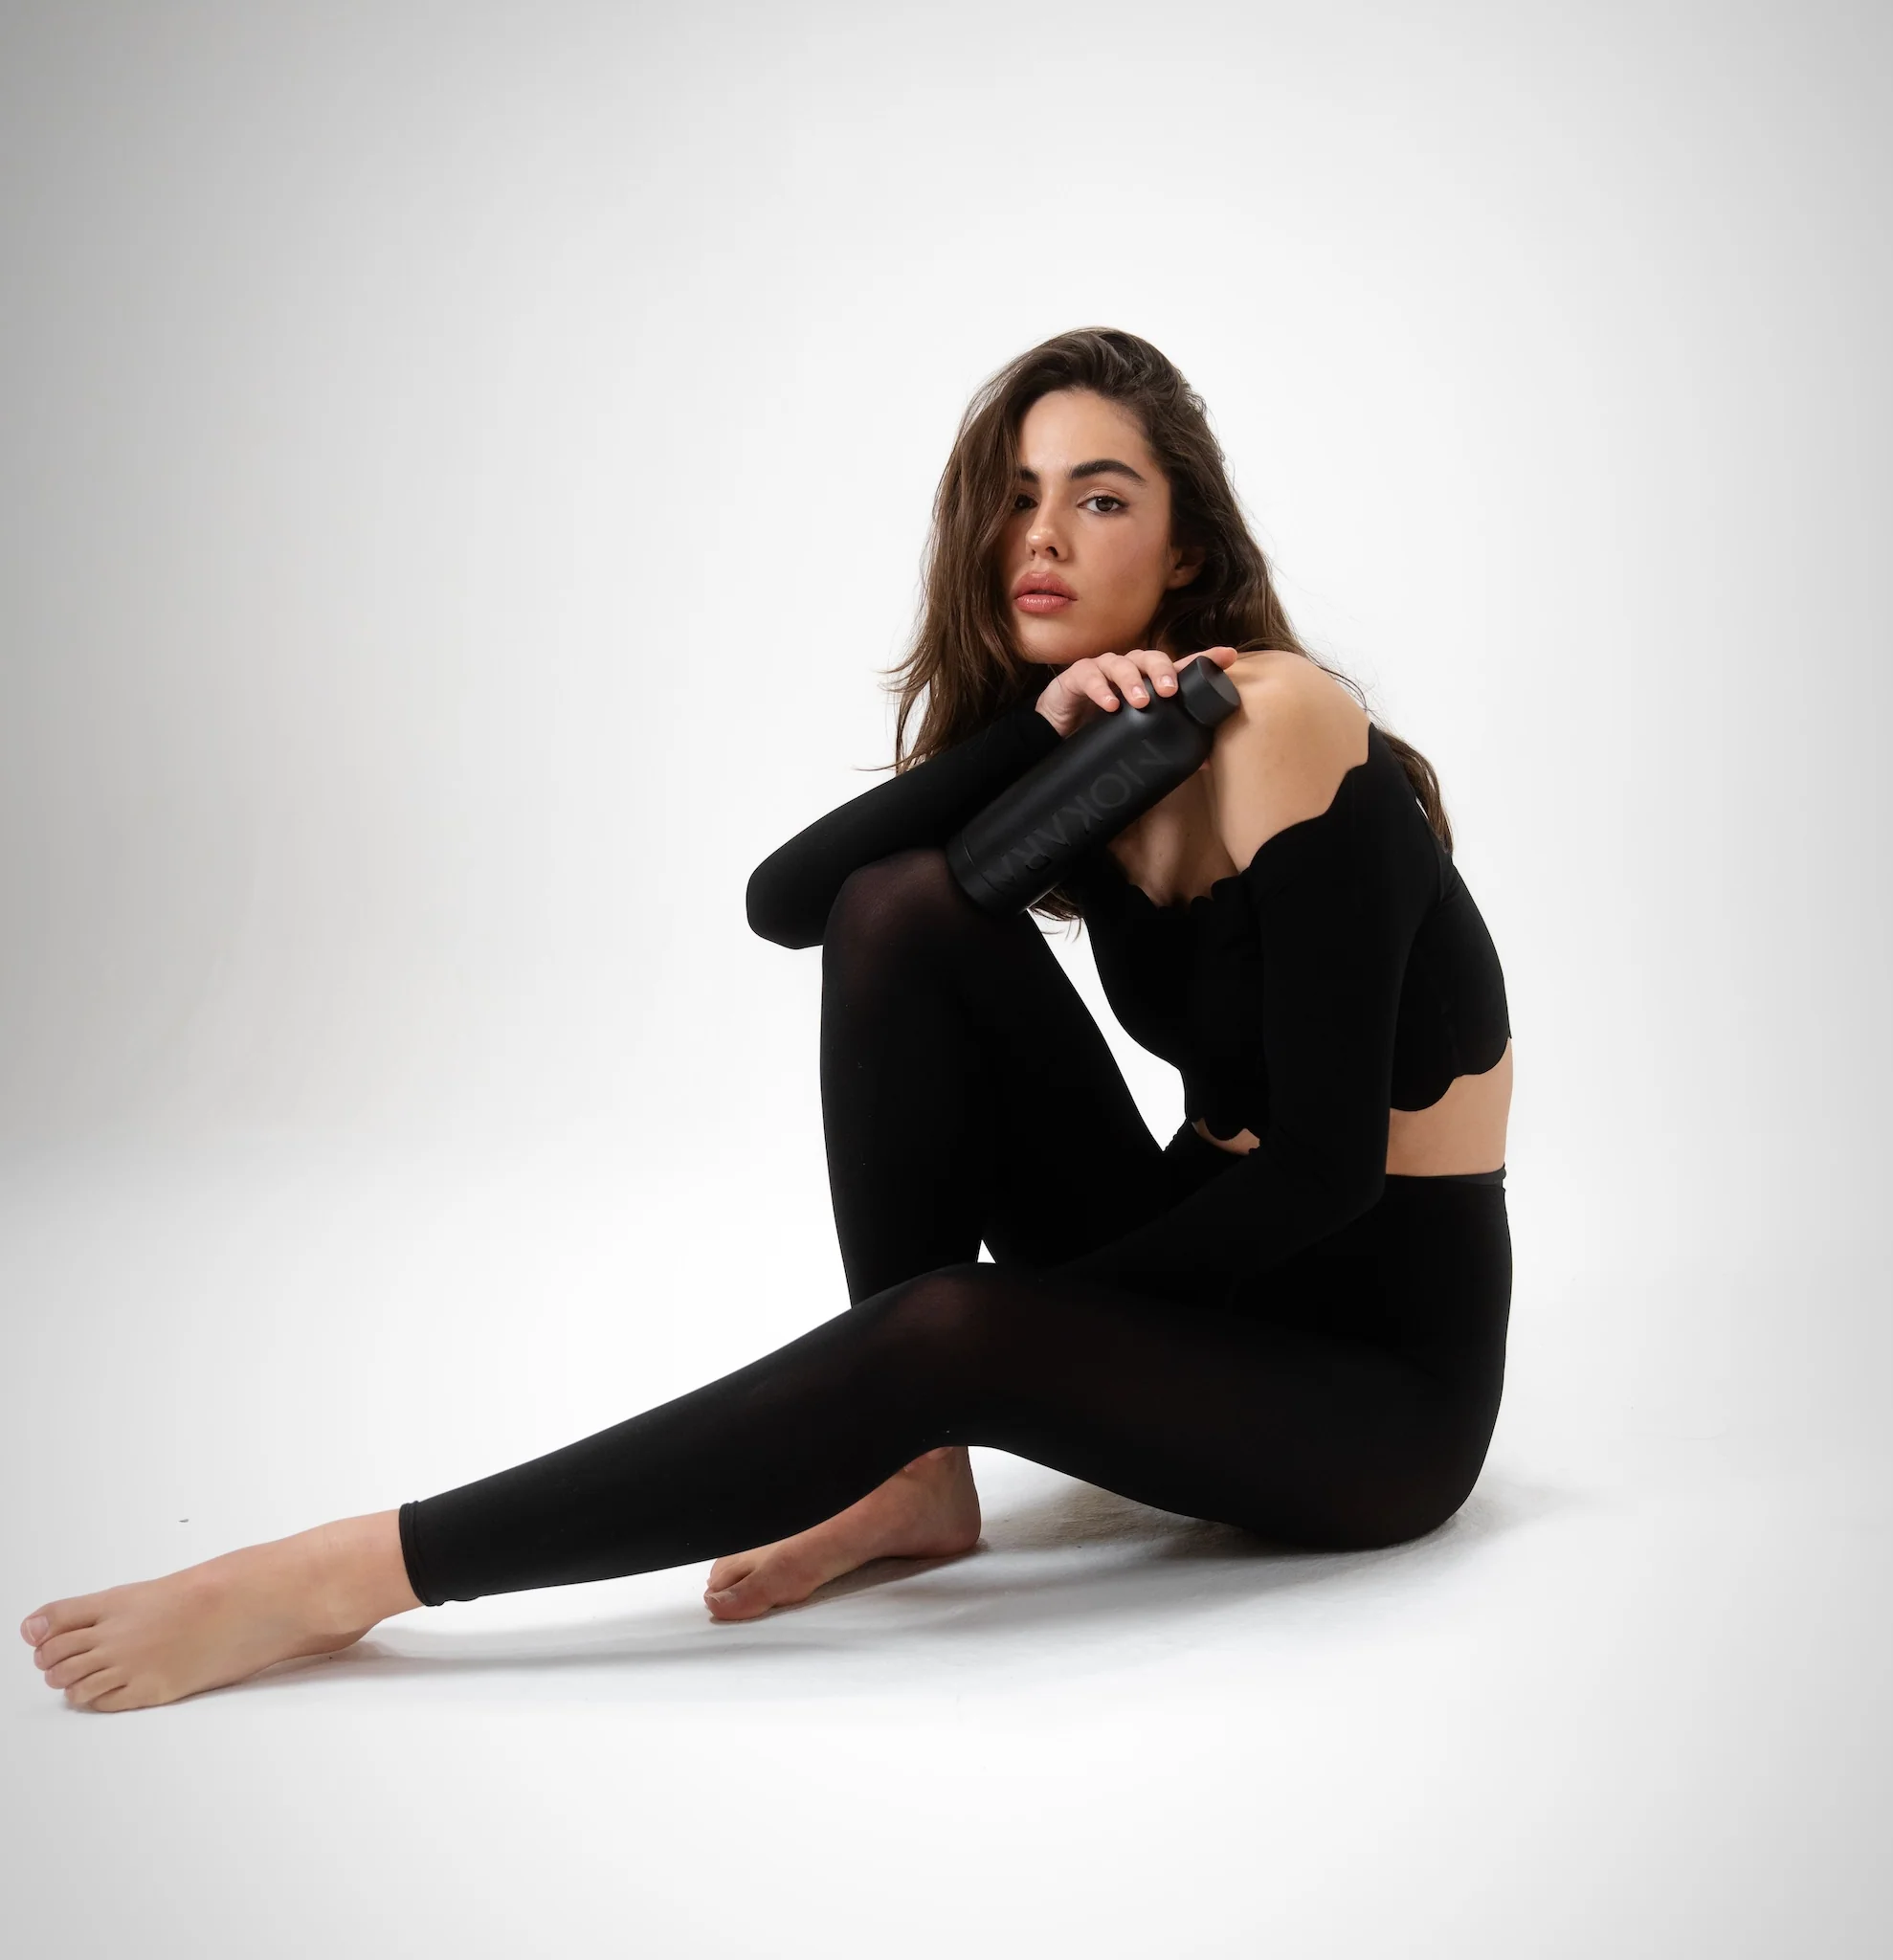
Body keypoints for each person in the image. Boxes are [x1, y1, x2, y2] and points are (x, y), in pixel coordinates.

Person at [18, 326, 1515, 1712]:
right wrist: (1034, 729)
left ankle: (343, 1576)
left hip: (1373, 1391)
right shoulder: (1106, 744)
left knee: (951, 1323)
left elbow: (1326, 1176)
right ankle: (914, 1474)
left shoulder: (1283, 719)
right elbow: (793, 901)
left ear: (1188, 551)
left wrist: (1000, 1337)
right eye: (1015, 497)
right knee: (902, 906)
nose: (1042, 535)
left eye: (1100, 498)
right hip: (1210, 1275)